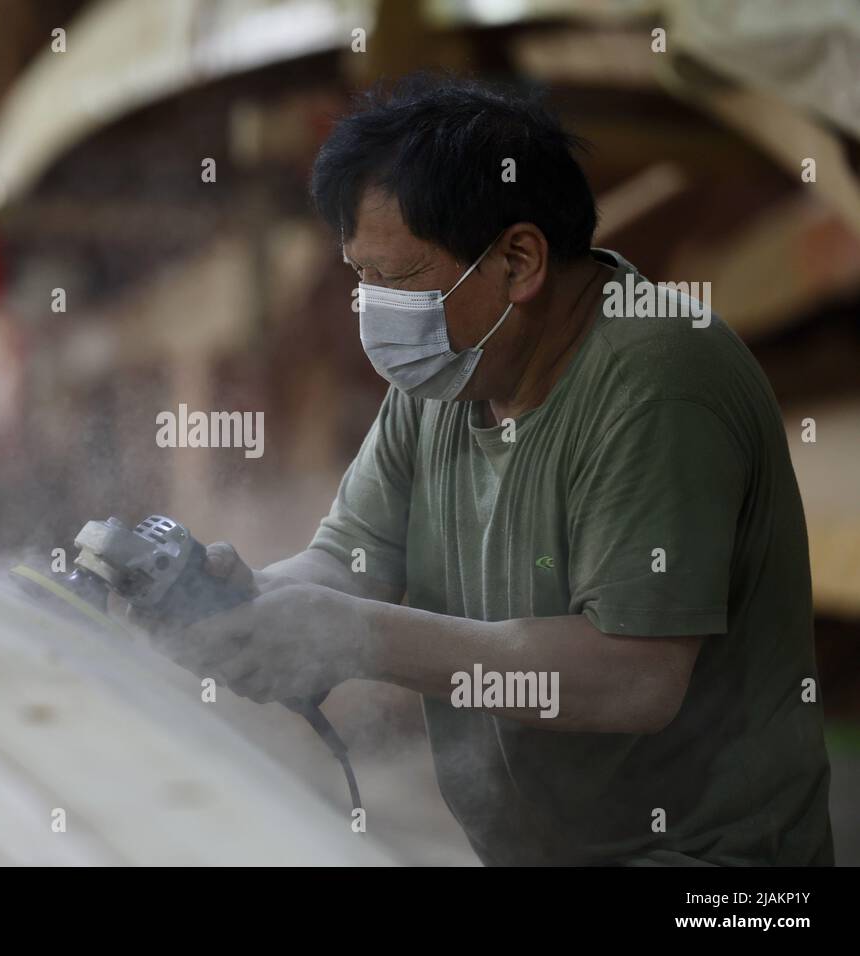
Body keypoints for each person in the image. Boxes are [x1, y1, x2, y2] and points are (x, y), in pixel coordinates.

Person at [148, 74, 833, 866]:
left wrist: (357, 637)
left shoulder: (659, 377)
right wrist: (256, 605)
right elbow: (352, 559)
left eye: (396, 280)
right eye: (359, 277)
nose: (370, 308)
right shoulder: (452, 372)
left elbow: (635, 677)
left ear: (518, 261)